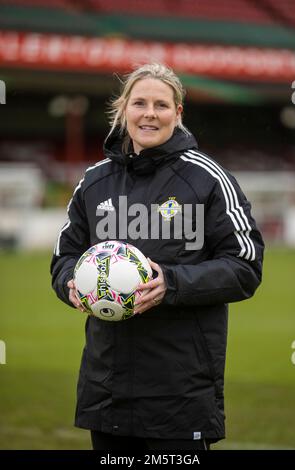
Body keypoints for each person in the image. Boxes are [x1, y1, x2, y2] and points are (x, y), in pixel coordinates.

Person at [50, 63, 264, 452]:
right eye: (140, 103)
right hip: (107, 389)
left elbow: (245, 266)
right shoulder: (94, 182)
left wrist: (172, 282)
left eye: (161, 105)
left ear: (178, 113)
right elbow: (64, 257)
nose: (150, 113)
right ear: (123, 109)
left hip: (180, 393)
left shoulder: (208, 178)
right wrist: (71, 284)